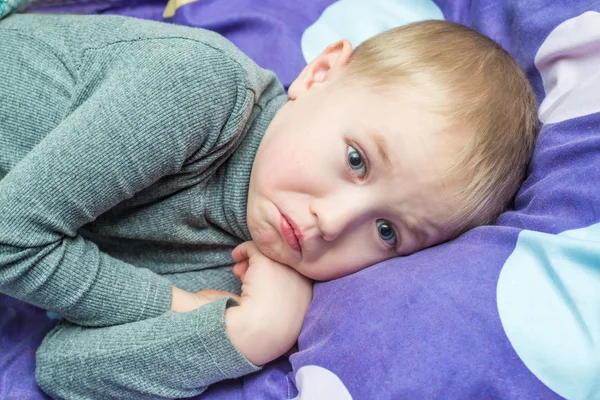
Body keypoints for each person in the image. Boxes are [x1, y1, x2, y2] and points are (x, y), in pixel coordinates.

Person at [0, 11, 538, 400]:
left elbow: (64, 369)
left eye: (387, 231)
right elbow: (9, 238)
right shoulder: (196, 89)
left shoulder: (252, 271)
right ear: (320, 75)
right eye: (356, 160)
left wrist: (248, 334)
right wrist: (174, 307)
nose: (332, 222)